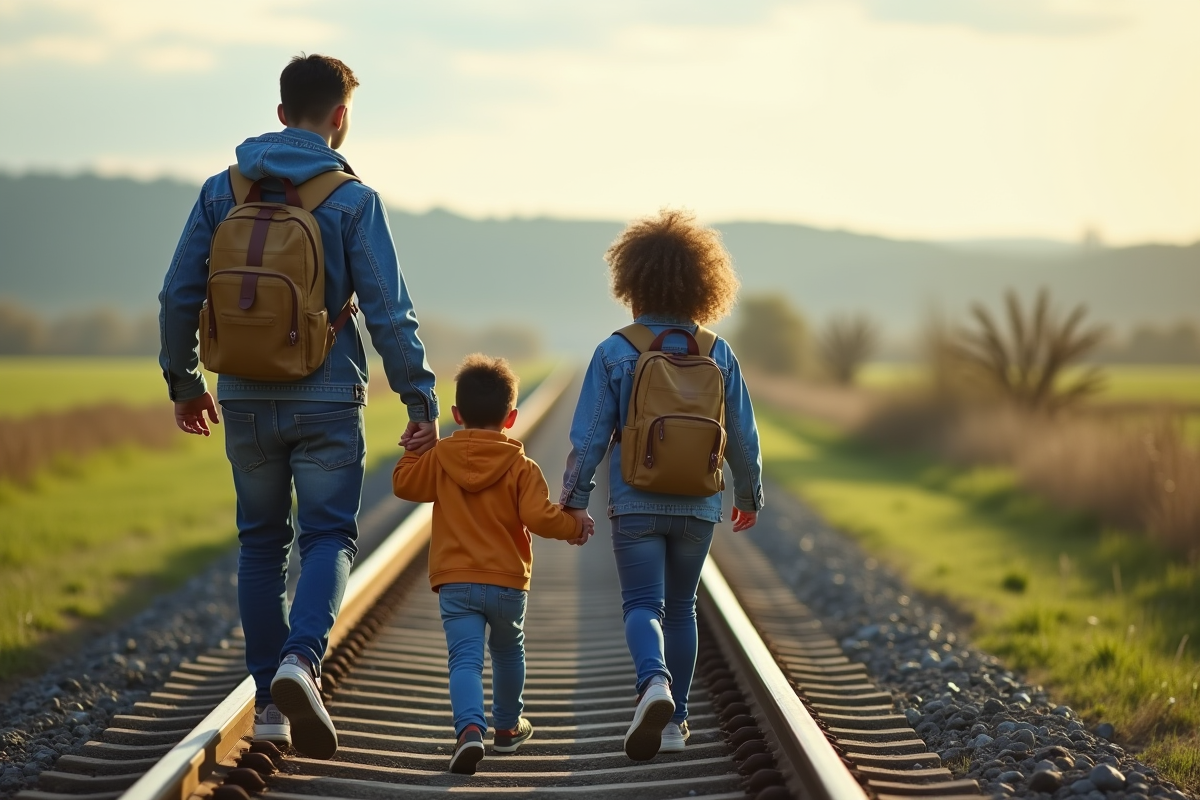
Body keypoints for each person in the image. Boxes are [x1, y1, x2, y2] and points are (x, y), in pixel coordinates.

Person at [159, 54, 440, 760]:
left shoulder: (220, 192)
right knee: (327, 539)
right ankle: (300, 661)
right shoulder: (352, 199)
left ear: (281, 112)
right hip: (327, 397)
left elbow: (178, 296)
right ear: (340, 117)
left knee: (260, 543)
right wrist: (419, 395)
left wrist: (183, 381)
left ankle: (269, 708)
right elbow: (389, 312)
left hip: (245, 399)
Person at [560, 209, 765, 761]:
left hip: (635, 499)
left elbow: (589, 439)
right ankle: (676, 726)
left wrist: (573, 505)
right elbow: (742, 436)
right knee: (682, 607)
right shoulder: (718, 352)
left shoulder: (615, 350)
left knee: (642, 606)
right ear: (704, 284)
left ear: (633, 281)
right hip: (698, 503)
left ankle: (653, 683)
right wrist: (747, 495)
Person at [392, 355, 593, 774]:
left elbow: (405, 485)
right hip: (507, 583)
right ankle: (506, 728)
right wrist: (573, 525)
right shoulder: (522, 467)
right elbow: (540, 518)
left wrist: (414, 449)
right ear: (512, 417)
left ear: (456, 415)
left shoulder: (440, 458)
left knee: (464, 659)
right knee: (507, 653)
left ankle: (468, 730)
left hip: (455, 582)